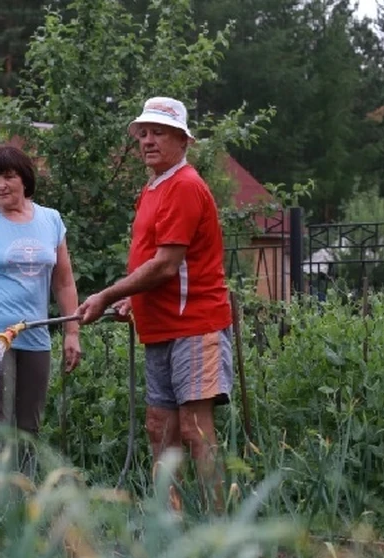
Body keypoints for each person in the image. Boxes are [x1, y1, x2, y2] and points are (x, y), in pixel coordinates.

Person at [77, 97, 233, 514]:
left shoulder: (184, 186)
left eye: (158, 132)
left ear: (183, 139)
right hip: (160, 326)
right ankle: (171, 525)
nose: (147, 140)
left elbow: (166, 265)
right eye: (143, 133)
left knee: (195, 430)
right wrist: (132, 296)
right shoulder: (152, 188)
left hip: (195, 323)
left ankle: (218, 531)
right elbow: (152, 259)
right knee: (160, 428)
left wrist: (108, 293)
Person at [0, 144, 81, 478]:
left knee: (28, 425)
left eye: (8, 176)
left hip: (35, 337)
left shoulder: (51, 220)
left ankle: (23, 500)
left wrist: (72, 331)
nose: (0, 185)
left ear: (25, 179)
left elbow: (64, 283)